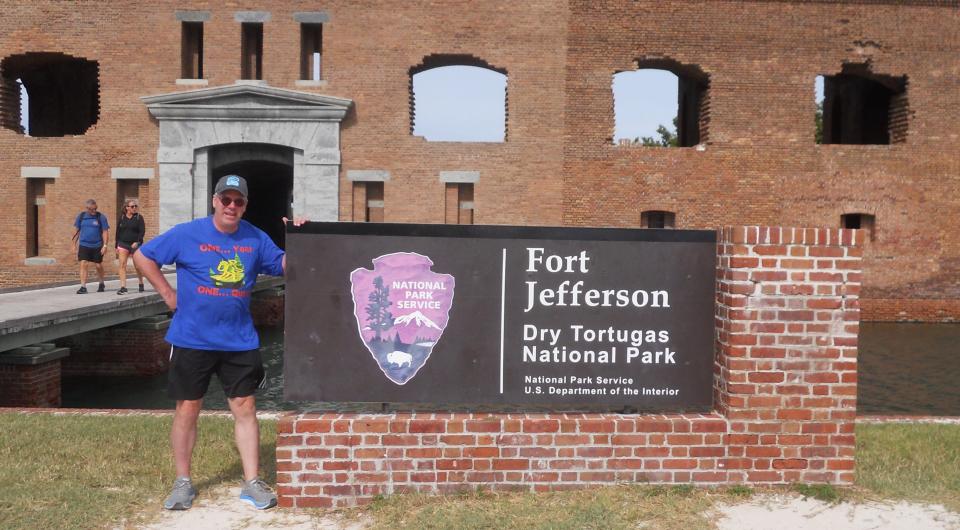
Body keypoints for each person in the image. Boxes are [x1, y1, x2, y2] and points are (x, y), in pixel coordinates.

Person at [134, 174, 304, 511]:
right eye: (225, 199)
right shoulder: (187, 233)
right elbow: (143, 256)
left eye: (238, 201)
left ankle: (252, 482)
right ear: (214, 200)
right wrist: (168, 294)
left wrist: (300, 237)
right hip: (191, 337)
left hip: (238, 340)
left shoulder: (255, 237)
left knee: (246, 408)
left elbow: (286, 266)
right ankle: (183, 482)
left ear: (244, 206)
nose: (231, 206)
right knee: (188, 408)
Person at [73, 198, 109, 294]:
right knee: (83, 263)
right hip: (84, 244)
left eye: (95, 208)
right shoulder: (81, 217)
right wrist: (73, 244)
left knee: (98, 265)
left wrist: (105, 245)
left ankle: (101, 282)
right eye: (92, 209)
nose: (94, 211)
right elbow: (77, 232)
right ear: (87, 208)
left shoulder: (101, 217)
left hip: (97, 245)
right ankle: (83, 287)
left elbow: (105, 232)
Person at [115, 199, 146, 294]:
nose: (134, 208)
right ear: (127, 207)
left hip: (135, 245)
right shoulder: (122, 217)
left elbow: (142, 231)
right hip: (123, 244)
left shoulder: (139, 217)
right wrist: (116, 245)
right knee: (122, 265)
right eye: (132, 206)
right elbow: (118, 232)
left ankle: (141, 282)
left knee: (137, 266)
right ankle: (123, 287)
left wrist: (137, 241)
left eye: (136, 206)